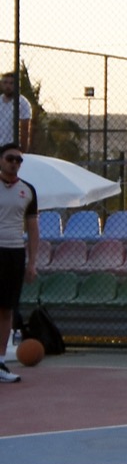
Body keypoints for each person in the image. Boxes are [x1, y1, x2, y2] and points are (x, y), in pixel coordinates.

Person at [0, 144, 39, 383]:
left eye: (18, 160)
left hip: (14, 253)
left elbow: (33, 229)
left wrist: (32, 262)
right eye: (10, 158)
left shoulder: (28, 191)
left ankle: (1, 361)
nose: (14, 163)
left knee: (6, 309)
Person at [0, 74, 33, 153]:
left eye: (11, 83)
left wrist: (23, 151)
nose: (8, 86)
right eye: (5, 82)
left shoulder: (23, 103)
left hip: (12, 147)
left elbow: (25, 129)